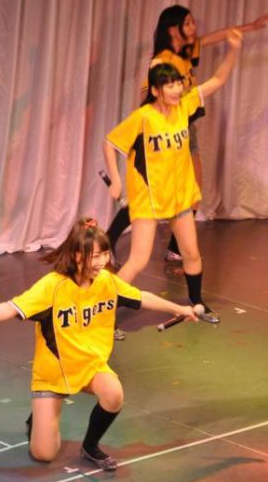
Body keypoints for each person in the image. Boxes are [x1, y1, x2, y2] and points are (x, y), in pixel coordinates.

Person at [0, 217, 197, 470]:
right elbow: (9, 308)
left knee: (114, 393)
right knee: (44, 455)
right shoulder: (53, 286)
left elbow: (141, 297)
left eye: (105, 254)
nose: (102, 261)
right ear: (77, 255)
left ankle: (90, 447)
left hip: (90, 366)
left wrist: (180, 309)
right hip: (53, 373)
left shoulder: (106, 281)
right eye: (95, 256)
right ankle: (38, 419)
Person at [107, 6, 268, 265]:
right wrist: (161, 120)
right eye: (187, 23)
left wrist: (251, 26)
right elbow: (146, 96)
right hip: (167, 132)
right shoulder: (162, 61)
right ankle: (112, 238)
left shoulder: (185, 50)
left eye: (192, 22)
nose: (193, 28)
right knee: (154, 195)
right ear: (172, 29)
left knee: (191, 188)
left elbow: (218, 36)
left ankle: (174, 247)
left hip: (185, 127)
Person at [103, 30, 243, 332]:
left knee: (191, 253)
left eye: (179, 83)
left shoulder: (185, 106)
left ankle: (197, 303)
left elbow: (218, 80)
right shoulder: (143, 117)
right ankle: (103, 311)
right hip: (149, 198)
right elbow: (110, 143)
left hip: (178, 195)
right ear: (156, 90)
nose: (178, 88)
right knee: (138, 261)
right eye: (170, 85)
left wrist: (233, 50)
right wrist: (115, 181)